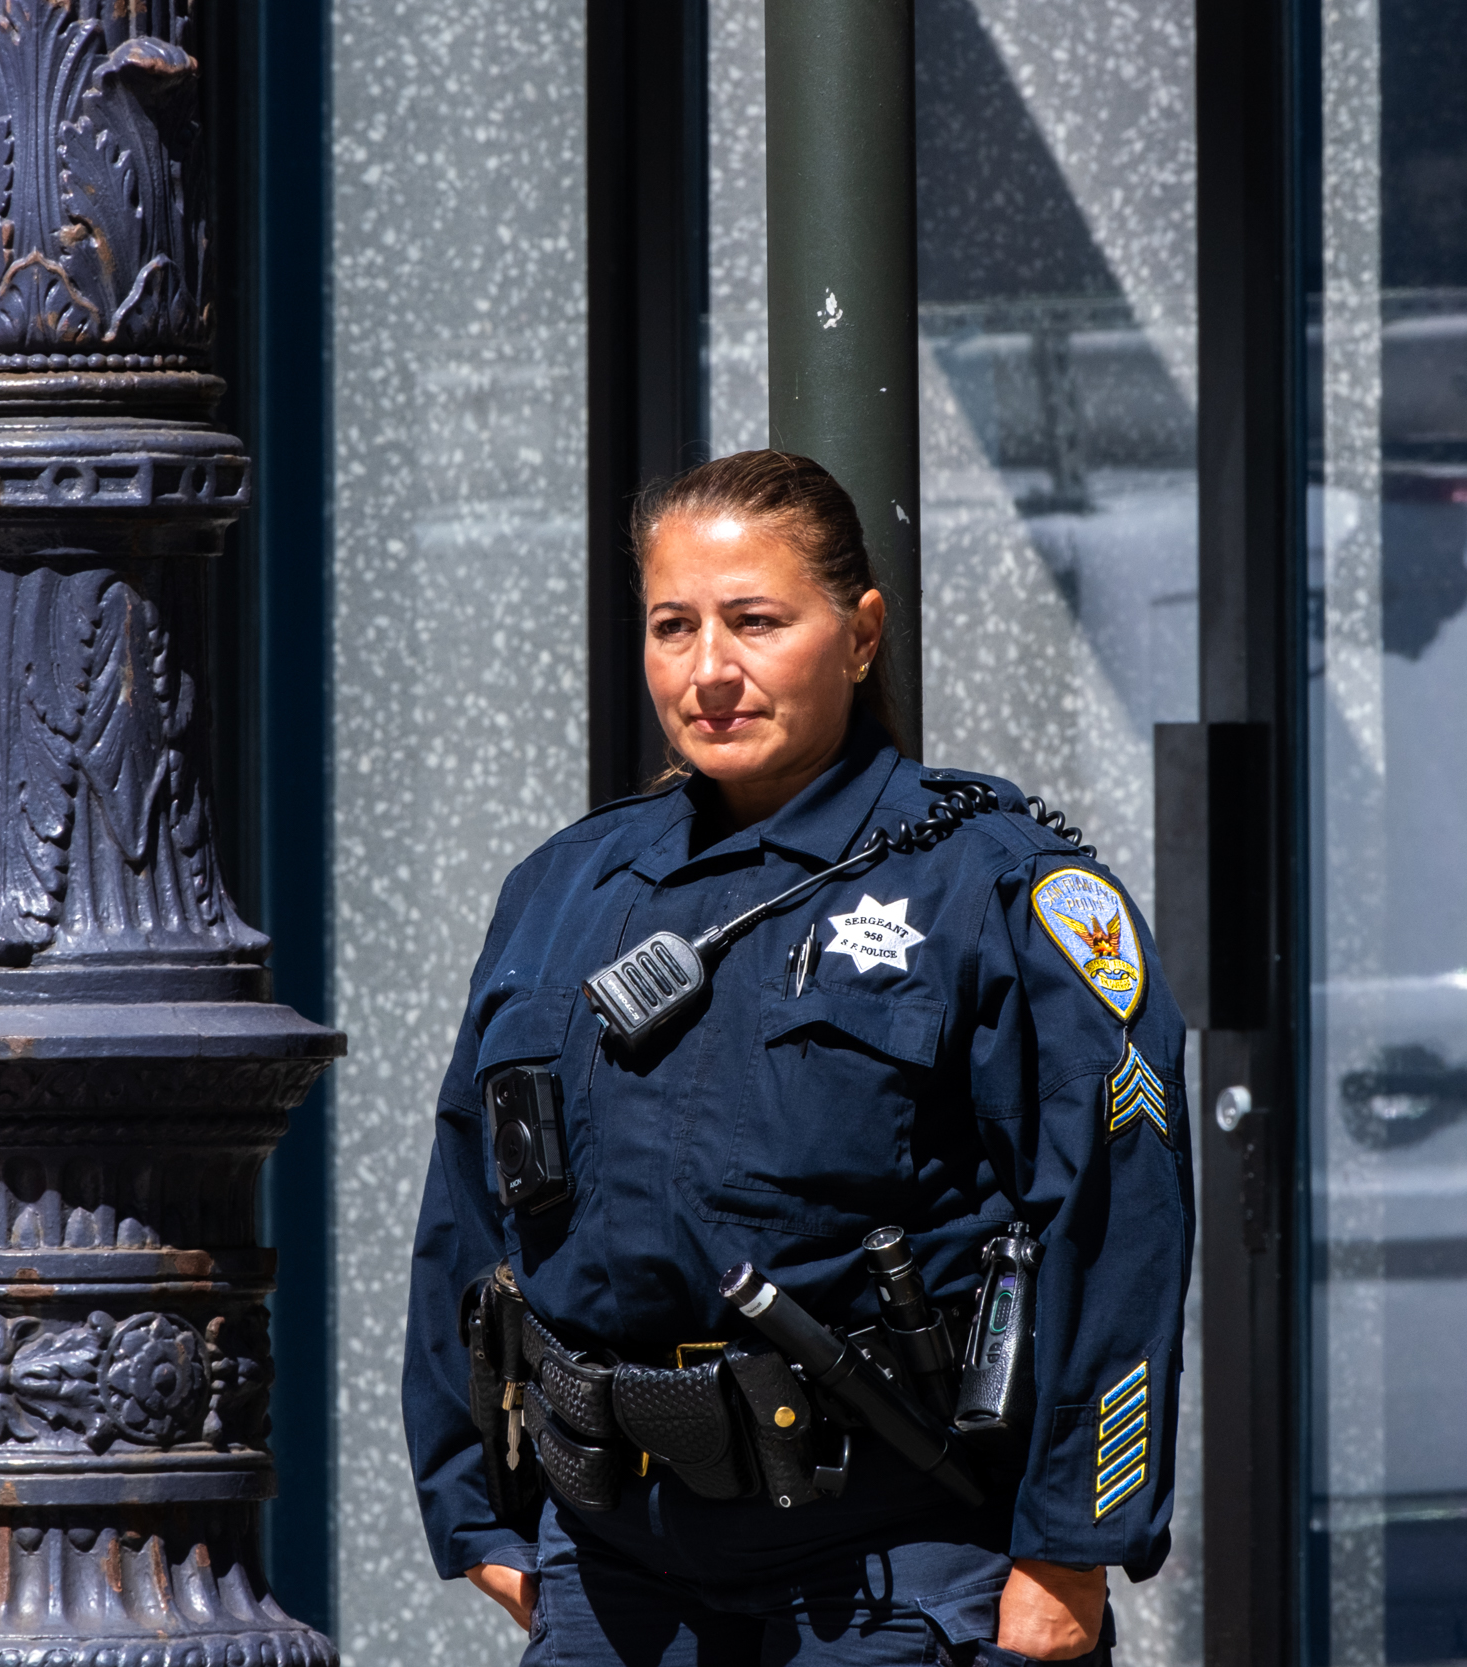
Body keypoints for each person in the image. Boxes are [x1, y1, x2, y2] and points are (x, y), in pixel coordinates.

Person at [401, 450, 1193, 1665]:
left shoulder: (993, 884)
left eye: (756, 621)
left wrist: (1074, 1540)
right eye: (674, 625)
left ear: (860, 632)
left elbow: (1115, 1213)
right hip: (610, 1577)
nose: (709, 668)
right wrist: (471, 1504)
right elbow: (470, 1203)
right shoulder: (565, 886)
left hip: (888, 1576)